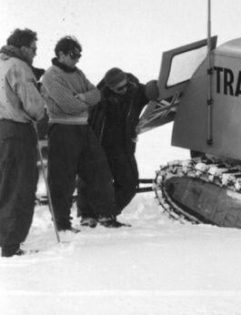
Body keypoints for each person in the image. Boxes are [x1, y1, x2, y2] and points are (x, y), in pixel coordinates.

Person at [40, 35, 123, 231]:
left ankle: (106, 215)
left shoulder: (78, 73)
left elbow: (97, 94)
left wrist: (82, 97)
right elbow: (68, 105)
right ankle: (62, 223)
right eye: (73, 54)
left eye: (79, 54)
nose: (77, 58)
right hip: (62, 129)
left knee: (99, 170)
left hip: (83, 128)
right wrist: (82, 101)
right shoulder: (51, 76)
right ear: (60, 54)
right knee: (62, 178)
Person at [79, 67, 158, 222]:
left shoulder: (134, 90)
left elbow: (150, 92)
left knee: (130, 183)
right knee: (93, 180)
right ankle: (88, 215)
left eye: (125, 85)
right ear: (110, 88)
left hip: (123, 147)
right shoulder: (99, 100)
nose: (124, 89)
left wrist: (154, 87)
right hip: (100, 147)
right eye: (119, 88)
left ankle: (106, 213)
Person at [0, 28, 45, 258]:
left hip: (2, 130)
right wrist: (42, 108)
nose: (36, 53)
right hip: (18, 131)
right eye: (34, 49)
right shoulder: (19, 66)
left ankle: (4, 239)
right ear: (23, 47)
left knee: (5, 183)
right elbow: (34, 106)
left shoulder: (2, 63)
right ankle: (11, 244)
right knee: (21, 186)